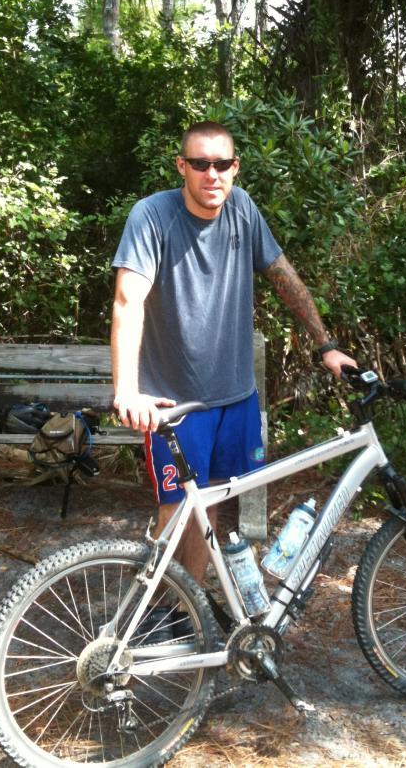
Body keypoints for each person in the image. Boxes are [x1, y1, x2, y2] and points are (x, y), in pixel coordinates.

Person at [111, 120, 356, 585]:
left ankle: (191, 606)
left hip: (235, 395)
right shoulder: (152, 216)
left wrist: (327, 346)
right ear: (181, 166)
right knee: (176, 506)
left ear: (236, 168)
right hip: (173, 400)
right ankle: (151, 610)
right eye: (200, 164)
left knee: (212, 502)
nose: (212, 174)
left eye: (221, 164)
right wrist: (126, 389)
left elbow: (284, 276)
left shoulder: (242, 209)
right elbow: (128, 301)